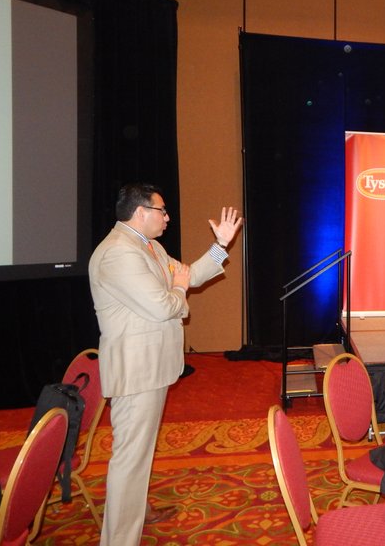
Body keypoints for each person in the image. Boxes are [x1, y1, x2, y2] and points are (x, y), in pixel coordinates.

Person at [88, 183, 242, 545]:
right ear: (141, 212)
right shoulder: (117, 253)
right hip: (136, 370)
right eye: (162, 211)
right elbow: (164, 305)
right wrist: (179, 289)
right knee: (130, 457)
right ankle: (120, 539)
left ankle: (136, 512)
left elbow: (191, 273)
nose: (168, 217)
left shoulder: (150, 246)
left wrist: (220, 247)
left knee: (140, 451)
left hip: (151, 366)